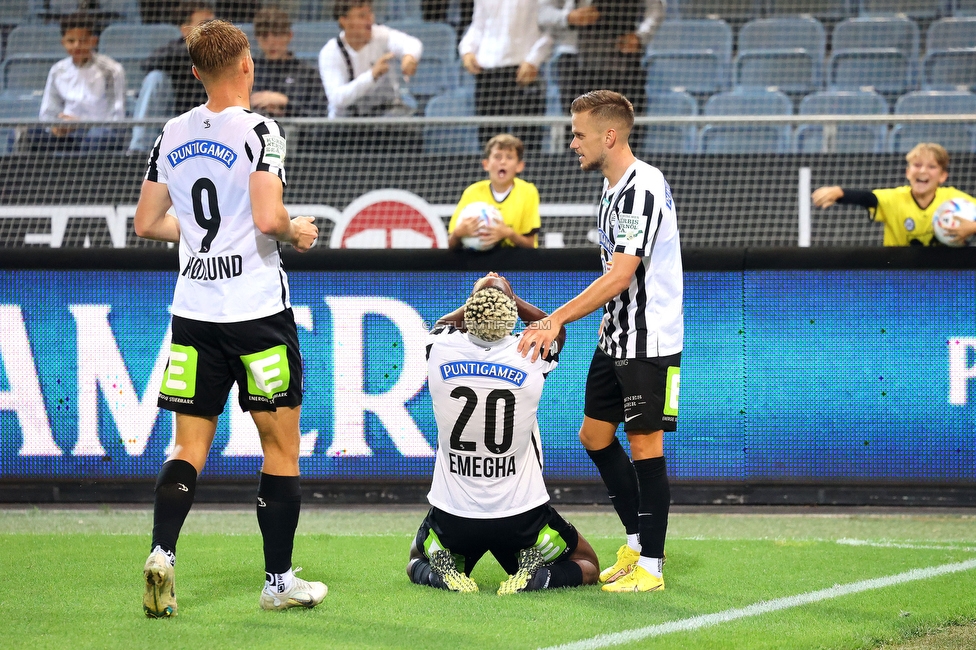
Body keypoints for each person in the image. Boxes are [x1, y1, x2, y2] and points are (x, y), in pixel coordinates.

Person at [133, 19, 324, 617]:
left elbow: (145, 222)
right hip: (257, 314)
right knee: (279, 447)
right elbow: (269, 219)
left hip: (193, 314)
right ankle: (279, 583)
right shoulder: (260, 130)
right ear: (246, 64)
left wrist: (196, 235)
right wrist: (298, 230)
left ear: (195, 72)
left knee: (188, 446)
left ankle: (163, 551)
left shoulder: (172, 131)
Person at [518, 90, 682, 593]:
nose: (573, 143)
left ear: (609, 135)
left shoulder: (640, 189)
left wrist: (555, 319)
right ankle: (636, 544)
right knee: (594, 436)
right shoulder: (614, 190)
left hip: (649, 342)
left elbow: (620, 276)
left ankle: (650, 566)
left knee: (645, 447)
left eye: (580, 134)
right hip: (615, 337)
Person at [407, 272, 600, 594]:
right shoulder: (529, 353)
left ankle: (440, 571)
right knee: (587, 563)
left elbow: (444, 322)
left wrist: (483, 293)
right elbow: (555, 328)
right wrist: (509, 296)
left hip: (453, 515)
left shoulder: (439, 347)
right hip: (522, 515)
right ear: (511, 312)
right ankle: (538, 576)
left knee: (416, 559)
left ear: (469, 312)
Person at [812, 142, 976, 247]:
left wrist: (973, 227)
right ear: (908, 172)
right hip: (899, 276)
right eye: (917, 165)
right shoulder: (896, 198)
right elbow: (868, 198)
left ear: (942, 176)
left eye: (931, 166)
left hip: (945, 277)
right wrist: (839, 192)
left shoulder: (956, 201)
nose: (923, 171)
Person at [539, 0, 665, 115]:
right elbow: (543, 12)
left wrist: (640, 36)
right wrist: (568, 17)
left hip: (622, 60)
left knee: (624, 124)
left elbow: (655, 9)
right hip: (573, 61)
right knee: (578, 127)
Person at [459, 0, 551, 149]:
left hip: (524, 70)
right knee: (490, 140)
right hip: (488, 72)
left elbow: (550, 28)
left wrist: (534, 59)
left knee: (527, 139)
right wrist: (467, 50)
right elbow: (478, 25)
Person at [31, 12, 126, 153]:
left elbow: (116, 118)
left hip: (98, 134)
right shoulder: (57, 70)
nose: (77, 46)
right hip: (66, 134)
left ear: (93, 41)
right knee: (25, 134)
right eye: (71, 41)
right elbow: (47, 113)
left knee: (97, 137)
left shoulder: (112, 70)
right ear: (63, 42)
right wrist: (56, 126)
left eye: (83, 41)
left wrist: (81, 123)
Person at [318, 0, 422, 118]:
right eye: (362, 16)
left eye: (370, 13)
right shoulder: (331, 51)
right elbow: (337, 98)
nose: (370, 19)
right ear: (344, 20)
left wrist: (409, 57)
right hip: (345, 125)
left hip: (385, 116)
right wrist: (372, 75)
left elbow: (412, 43)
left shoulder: (380, 34)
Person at [448, 134, 541, 250]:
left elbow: (531, 245)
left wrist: (508, 234)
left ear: (519, 166)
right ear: (486, 164)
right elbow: (451, 244)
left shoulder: (528, 192)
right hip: (478, 263)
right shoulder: (472, 193)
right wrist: (458, 233)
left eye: (509, 157)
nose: (503, 162)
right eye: (497, 157)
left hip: (513, 263)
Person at [250, 7, 329, 117]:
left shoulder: (307, 74)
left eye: (276, 35)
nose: (271, 42)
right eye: (264, 36)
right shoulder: (248, 71)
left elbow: (319, 114)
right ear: (256, 38)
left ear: (289, 36)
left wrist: (286, 103)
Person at [143, 1, 216, 115]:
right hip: (179, 117)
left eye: (213, 23)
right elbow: (147, 64)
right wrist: (191, 49)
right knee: (155, 77)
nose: (212, 28)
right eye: (205, 24)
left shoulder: (224, 49)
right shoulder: (175, 49)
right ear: (185, 30)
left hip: (215, 116)